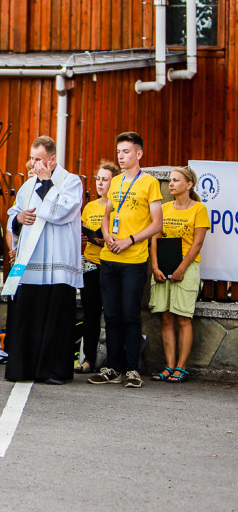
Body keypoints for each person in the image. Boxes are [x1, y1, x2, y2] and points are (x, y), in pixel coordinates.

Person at [4, 136, 84, 385]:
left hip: (58, 262)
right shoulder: (28, 185)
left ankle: (53, 370)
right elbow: (12, 214)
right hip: (31, 261)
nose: (34, 164)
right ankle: (23, 368)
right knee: (28, 315)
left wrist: (48, 182)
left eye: (39, 159)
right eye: (32, 158)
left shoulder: (70, 181)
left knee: (55, 317)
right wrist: (19, 219)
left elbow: (61, 212)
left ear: (52, 160)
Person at [90, 132, 163, 389]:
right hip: (110, 257)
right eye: (119, 151)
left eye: (127, 151)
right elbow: (107, 214)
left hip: (133, 259)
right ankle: (112, 366)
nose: (121, 156)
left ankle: (132, 369)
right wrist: (108, 234)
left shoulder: (150, 183)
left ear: (139, 154)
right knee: (111, 315)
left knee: (130, 315)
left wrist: (129, 240)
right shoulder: (116, 181)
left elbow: (157, 224)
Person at [149, 167, 209, 384]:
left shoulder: (199, 209)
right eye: (170, 180)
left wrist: (182, 268)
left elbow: (198, 243)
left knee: (183, 318)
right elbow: (154, 238)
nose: (171, 184)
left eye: (176, 180)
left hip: (187, 266)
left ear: (189, 185)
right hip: (163, 265)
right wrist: (155, 267)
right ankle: (169, 365)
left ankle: (181, 367)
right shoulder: (164, 208)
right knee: (165, 317)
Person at [77, 161, 119, 373]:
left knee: (112, 314)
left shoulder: (118, 206)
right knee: (90, 313)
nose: (100, 183)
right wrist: (86, 237)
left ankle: (113, 361)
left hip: (110, 264)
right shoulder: (90, 206)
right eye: (98, 179)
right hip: (90, 263)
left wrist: (104, 239)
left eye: (105, 179)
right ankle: (88, 359)